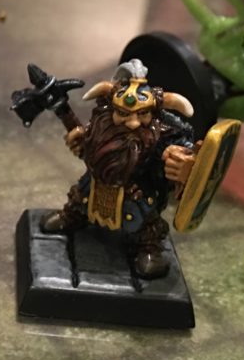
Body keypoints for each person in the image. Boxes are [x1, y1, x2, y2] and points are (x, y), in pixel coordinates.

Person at [42, 59, 198, 278]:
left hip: (135, 192)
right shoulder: (101, 128)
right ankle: (73, 215)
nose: (133, 123)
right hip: (95, 184)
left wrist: (182, 163)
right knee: (81, 198)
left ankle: (149, 248)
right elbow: (89, 149)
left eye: (142, 114)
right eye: (124, 114)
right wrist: (79, 137)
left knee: (146, 222)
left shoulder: (157, 139)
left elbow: (182, 155)